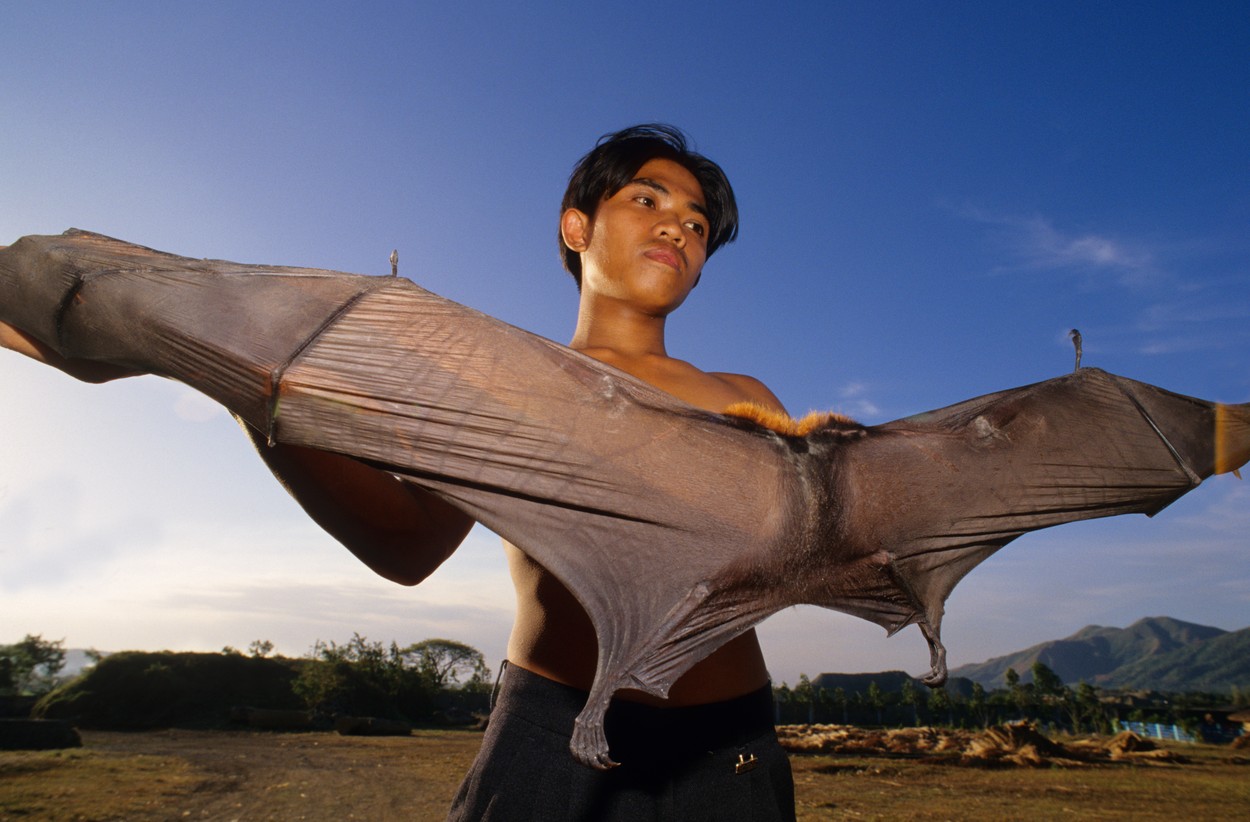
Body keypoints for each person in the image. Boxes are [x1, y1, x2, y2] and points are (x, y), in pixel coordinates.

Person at [0, 124, 796, 820]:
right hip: (553, 742)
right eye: (649, 201)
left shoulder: (747, 398)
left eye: (696, 225)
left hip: (729, 751)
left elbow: (811, 548)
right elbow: (408, 546)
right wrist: (254, 393)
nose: (679, 230)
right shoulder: (507, 382)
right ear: (577, 227)